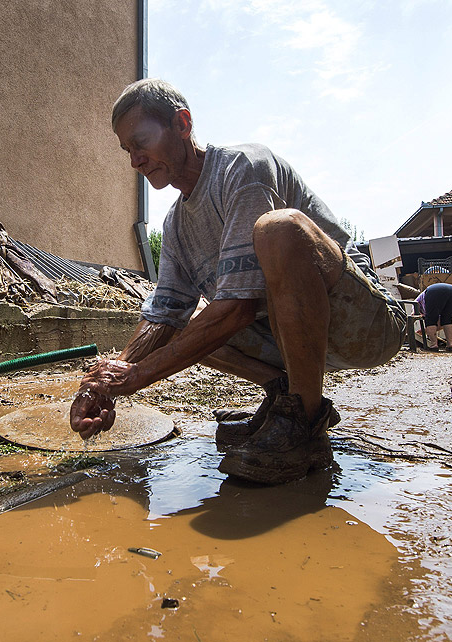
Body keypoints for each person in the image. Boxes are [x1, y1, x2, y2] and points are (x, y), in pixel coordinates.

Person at [69, 79, 406, 485]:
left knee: (279, 230)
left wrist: (138, 377)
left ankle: (304, 420)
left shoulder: (242, 167)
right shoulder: (176, 224)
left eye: (141, 143)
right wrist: (105, 382)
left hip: (364, 324)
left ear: (182, 124)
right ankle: (286, 398)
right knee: (185, 329)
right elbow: (165, 316)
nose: (135, 161)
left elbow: (239, 309)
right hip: (293, 340)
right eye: (127, 150)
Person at [415, 282, 452, 351]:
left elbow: (415, 315)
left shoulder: (417, 303)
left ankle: (434, 345)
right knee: (447, 318)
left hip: (434, 293)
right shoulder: (437, 306)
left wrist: (425, 328)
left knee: (430, 320)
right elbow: (440, 324)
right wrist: (425, 331)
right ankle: (450, 345)